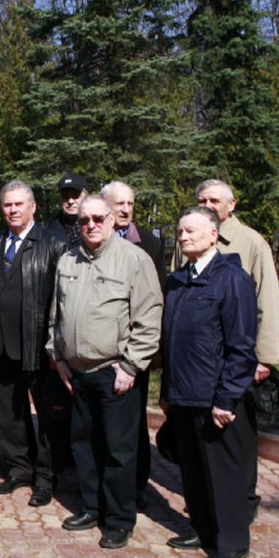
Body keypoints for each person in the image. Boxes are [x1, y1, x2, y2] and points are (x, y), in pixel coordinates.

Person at [48, 195, 162, 549]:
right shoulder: (68, 259)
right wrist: (58, 358)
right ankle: (92, 507)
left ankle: (119, 519)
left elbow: (149, 318)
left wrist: (131, 365)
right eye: (84, 220)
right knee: (84, 445)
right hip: (77, 372)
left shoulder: (134, 260)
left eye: (99, 218)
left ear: (113, 219)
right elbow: (57, 314)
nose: (91, 225)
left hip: (115, 372)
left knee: (118, 451)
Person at [161, 206, 258, 558]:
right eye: (181, 230)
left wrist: (226, 397)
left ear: (214, 235)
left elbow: (241, 346)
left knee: (223, 474)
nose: (183, 236)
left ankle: (232, 542)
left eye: (191, 231)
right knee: (194, 471)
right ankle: (202, 529)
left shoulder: (231, 279)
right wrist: (167, 394)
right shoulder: (178, 281)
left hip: (213, 397)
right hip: (183, 394)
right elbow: (171, 341)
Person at [181, 179, 279, 521]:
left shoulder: (250, 242)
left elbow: (266, 299)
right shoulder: (188, 237)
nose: (208, 203)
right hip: (197, 362)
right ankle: (208, 499)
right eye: (202, 199)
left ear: (231, 205)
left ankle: (243, 500)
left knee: (238, 436)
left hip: (236, 357)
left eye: (214, 199)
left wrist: (263, 357)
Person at [0, 181, 67, 508]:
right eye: (7, 205)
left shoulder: (52, 245)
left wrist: (54, 346)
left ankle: (45, 478)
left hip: (37, 348)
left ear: (32, 207)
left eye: (19, 205)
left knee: (45, 418)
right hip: (3, 347)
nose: (13, 210)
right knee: (9, 414)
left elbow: (60, 300)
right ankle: (19, 469)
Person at [100, 180, 165, 508]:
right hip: (101, 349)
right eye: (118, 204)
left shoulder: (149, 244)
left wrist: (151, 351)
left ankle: (137, 484)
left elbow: (156, 299)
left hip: (133, 350)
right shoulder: (94, 239)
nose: (125, 209)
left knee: (135, 422)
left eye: (130, 203)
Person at [44, 172, 89, 246]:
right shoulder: (48, 232)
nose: (70, 201)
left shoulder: (98, 227)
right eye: (65, 196)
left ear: (86, 197)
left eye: (76, 196)